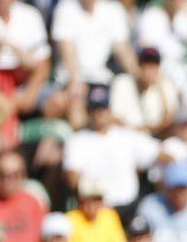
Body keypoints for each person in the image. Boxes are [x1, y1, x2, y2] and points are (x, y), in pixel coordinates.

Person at [63, 83, 161, 222]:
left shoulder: (126, 135)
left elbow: (159, 152)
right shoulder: (77, 140)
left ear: (110, 110)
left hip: (127, 208)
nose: (98, 114)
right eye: (94, 109)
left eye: (102, 108)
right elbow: (72, 179)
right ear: (87, 111)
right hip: (95, 210)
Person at [50, 0, 138, 124]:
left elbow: (123, 50)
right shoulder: (65, 9)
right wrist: (75, 82)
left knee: (126, 92)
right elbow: (67, 52)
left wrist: (138, 76)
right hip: (71, 81)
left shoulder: (114, 10)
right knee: (76, 100)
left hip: (103, 80)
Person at [66, 176, 127, 242]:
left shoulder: (109, 217)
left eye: (96, 199)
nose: (92, 204)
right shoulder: (71, 219)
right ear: (80, 201)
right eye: (88, 199)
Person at [109, 47, 179, 135]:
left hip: (152, 138)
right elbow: (112, 116)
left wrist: (160, 90)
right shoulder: (123, 82)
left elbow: (169, 121)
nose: (148, 70)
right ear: (138, 66)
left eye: (153, 66)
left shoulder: (166, 85)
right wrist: (136, 129)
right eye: (145, 65)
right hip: (124, 135)